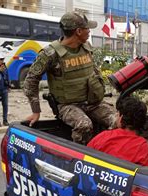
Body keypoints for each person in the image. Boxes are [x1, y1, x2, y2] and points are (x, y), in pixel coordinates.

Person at [24, 11, 116, 144]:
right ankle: (79, 156)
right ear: (78, 31)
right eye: (87, 28)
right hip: (67, 106)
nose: (89, 31)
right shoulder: (50, 54)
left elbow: (94, 71)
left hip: (92, 102)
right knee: (84, 125)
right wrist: (36, 111)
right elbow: (31, 80)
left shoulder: (86, 48)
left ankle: (109, 149)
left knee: (118, 120)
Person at [87, 97, 148, 166]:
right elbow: (145, 173)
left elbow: (85, 157)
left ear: (121, 118)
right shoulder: (142, 147)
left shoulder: (102, 137)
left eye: (117, 114)